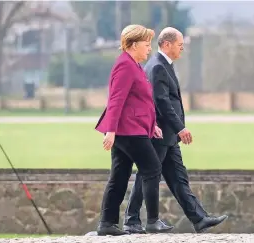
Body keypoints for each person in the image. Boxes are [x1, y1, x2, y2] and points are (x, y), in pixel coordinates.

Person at [122, 27, 228, 234]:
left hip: (168, 136)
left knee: (178, 177)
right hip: (160, 134)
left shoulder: (163, 65)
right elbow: (161, 102)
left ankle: (199, 219)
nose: (182, 49)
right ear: (167, 44)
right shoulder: (158, 67)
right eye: (180, 45)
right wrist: (180, 128)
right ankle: (131, 220)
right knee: (147, 174)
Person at [94, 24, 173, 236]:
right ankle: (153, 221)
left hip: (133, 128)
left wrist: (152, 125)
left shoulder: (134, 65)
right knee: (152, 168)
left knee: (120, 175)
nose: (149, 49)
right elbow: (116, 100)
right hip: (127, 130)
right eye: (146, 45)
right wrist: (110, 130)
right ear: (133, 45)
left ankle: (107, 224)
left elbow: (141, 101)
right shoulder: (125, 66)